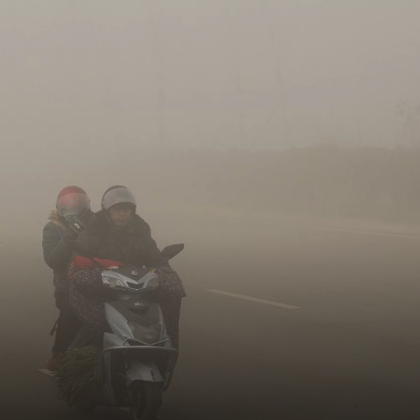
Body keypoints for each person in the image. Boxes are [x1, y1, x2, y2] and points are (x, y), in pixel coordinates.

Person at [68, 185, 185, 350]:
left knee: (169, 296)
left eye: (127, 209)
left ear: (133, 210)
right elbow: (80, 255)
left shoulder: (140, 228)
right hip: (102, 283)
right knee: (99, 318)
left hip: (135, 283)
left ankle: (165, 345)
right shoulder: (94, 227)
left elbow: (154, 256)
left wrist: (165, 270)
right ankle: (72, 359)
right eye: (117, 209)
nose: (123, 214)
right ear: (108, 210)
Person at [42, 186, 94, 370]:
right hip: (67, 284)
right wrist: (71, 233)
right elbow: (53, 260)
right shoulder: (52, 229)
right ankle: (60, 354)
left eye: (78, 205)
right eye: (68, 205)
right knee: (71, 312)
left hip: (95, 280)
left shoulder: (95, 225)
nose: (73, 210)